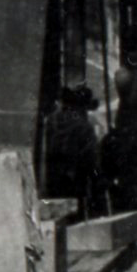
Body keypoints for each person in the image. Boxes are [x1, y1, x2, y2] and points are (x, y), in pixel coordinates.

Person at [43, 84, 101, 219]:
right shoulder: (84, 127)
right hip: (76, 183)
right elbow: (92, 159)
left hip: (52, 180)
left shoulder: (51, 122)